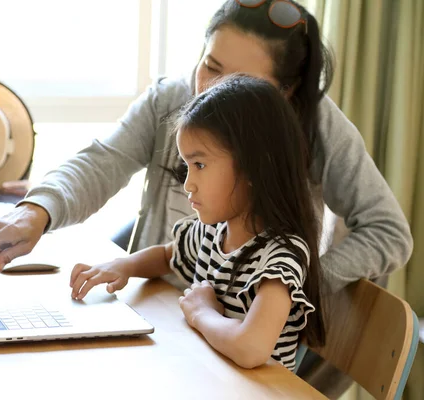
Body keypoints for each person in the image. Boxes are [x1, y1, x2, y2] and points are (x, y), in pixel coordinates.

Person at [0, 0, 412, 394]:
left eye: (235, 82)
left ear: (281, 95)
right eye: (209, 65)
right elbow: (104, 161)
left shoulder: (318, 134)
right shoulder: (173, 101)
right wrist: (36, 213)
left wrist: (295, 286)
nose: (206, 91)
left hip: (227, 345)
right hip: (167, 324)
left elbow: (389, 232)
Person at [70, 75, 326, 371]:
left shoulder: (279, 257)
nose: (188, 184)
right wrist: (122, 266)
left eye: (200, 165)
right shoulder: (211, 232)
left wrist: (202, 313)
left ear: (256, 165)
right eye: (187, 166)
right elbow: (169, 256)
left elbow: (251, 348)